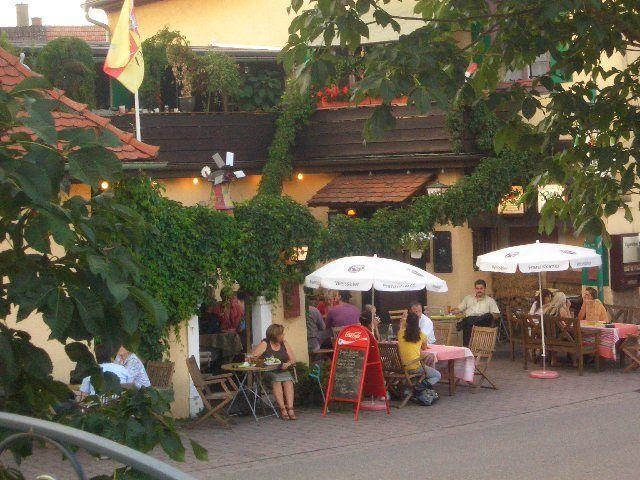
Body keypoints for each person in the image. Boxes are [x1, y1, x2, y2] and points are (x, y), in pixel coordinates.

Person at [251, 324, 297, 420]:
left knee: (288, 380)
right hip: (268, 371)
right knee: (277, 380)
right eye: (281, 334)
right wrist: (262, 361)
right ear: (275, 335)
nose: (283, 335)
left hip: (282, 370)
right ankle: (283, 409)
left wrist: (288, 364)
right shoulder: (265, 344)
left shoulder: (284, 343)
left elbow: (293, 359)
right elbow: (252, 358)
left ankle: (290, 408)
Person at [397, 311, 441, 388]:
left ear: (406, 322)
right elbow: (424, 348)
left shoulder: (400, 333)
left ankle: (416, 383)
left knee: (424, 360)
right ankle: (419, 386)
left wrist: (403, 322)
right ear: (418, 323)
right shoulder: (421, 335)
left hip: (400, 367)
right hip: (414, 367)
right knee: (437, 375)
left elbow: (403, 328)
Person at [452, 279, 500, 346]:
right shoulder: (468, 298)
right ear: (475, 289)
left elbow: (497, 315)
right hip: (470, 323)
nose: (479, 290)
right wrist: (453, 311)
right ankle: (467, 348)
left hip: (483, 323)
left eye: (481, 288)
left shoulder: (490, 300)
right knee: (469, 323)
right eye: (477, 288)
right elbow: (459, 309)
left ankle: (464, 322)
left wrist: (487, 316)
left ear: (484, 289)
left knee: (488, 315)